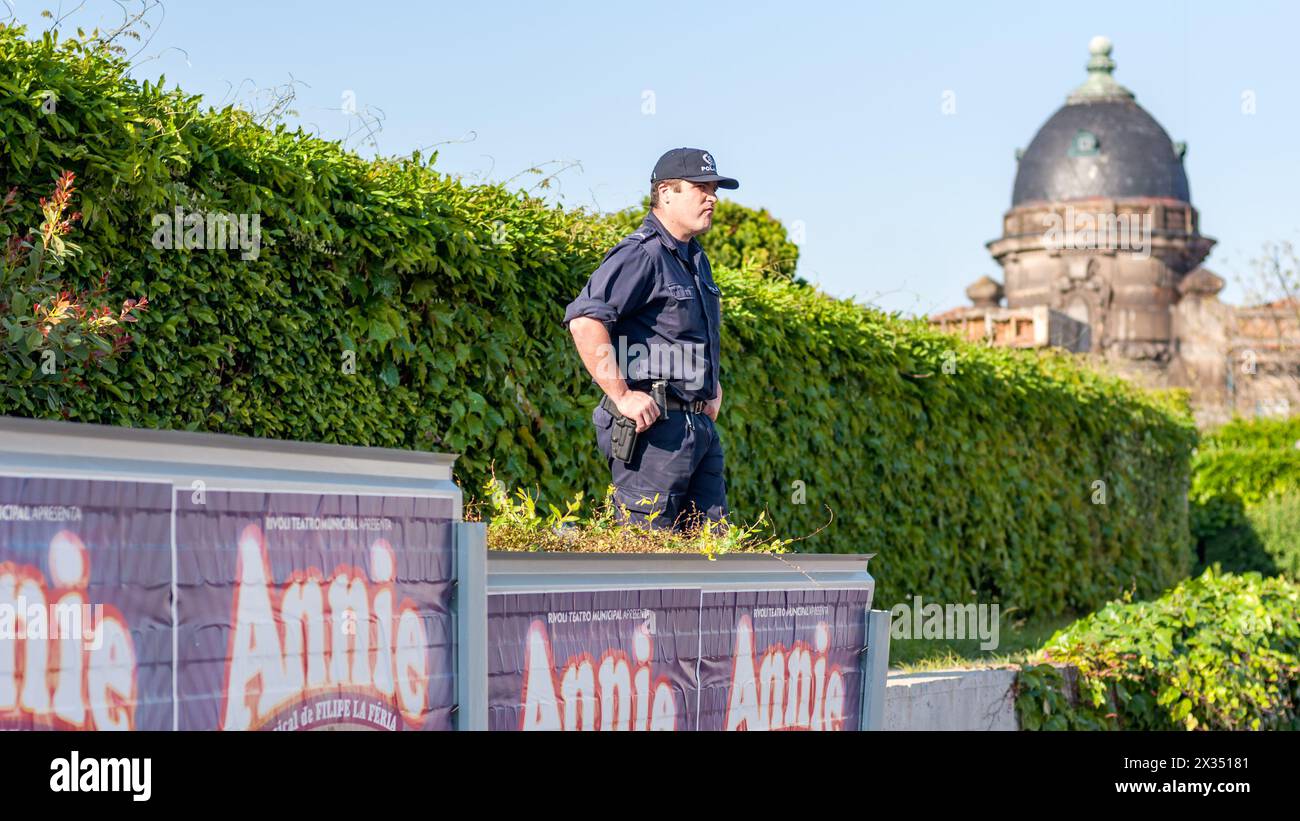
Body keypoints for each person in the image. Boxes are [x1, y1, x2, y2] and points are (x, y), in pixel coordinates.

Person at [562, 147, 739, 530]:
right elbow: (585, 321)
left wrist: (710, 385)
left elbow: (677, 333)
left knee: (713, 551)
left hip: (697, 428)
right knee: (647, 553)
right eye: (701, 187)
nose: (712, 198)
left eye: (714, 189)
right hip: (654, 432)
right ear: (666, 192)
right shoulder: (641, 254)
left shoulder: (696, 259)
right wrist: (622, 395)